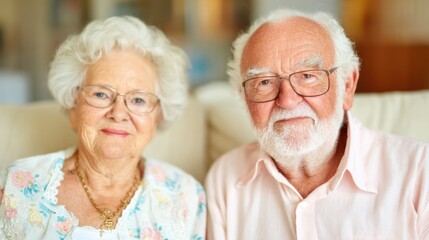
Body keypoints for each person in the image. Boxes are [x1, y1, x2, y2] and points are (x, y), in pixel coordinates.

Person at [205, 8, 429, 239]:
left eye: (308, 76)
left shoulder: (420, 171)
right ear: (242, 98)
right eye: (264, 82)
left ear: (348, 86)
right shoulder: (226, 179)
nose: (287, 100)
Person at [0, 16, 206, 239]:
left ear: (157, 117)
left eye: (138, 100)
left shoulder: (185, 197)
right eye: (101, 94)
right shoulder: (16, 185)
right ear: (73, 107)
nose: (118, 113)